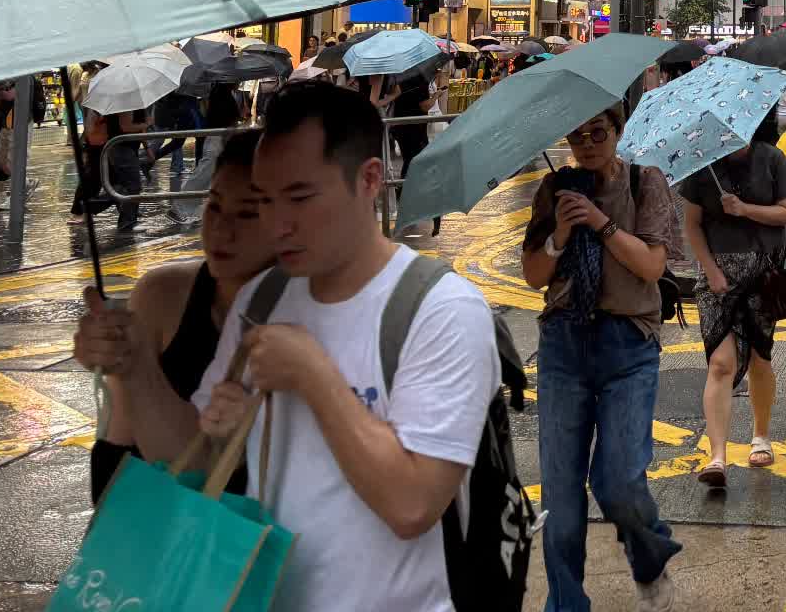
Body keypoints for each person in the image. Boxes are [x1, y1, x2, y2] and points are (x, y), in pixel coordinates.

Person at [162, 83, 496, 612]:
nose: (279, 223)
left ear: (369, 179)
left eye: (299, 197)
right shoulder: (263, 297)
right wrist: (208, 426)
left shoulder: (439, 309)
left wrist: (315, 377)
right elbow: (192, 462)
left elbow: (413, 505)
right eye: (266, 200)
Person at [519, 106, 683, 611]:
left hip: (628, 344)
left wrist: (602, 223)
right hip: (564, 345)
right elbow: (533, 274)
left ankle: (649, 552)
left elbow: (653, 266)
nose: (587, 143)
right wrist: (560, 235)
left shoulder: (643, 181)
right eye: (577, 134)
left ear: (617, 132)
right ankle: (566, 604)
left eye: (598, 133)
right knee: (562, 499)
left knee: (618, 481)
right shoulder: (556, 188)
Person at [72, 130, 274, 503]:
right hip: (158, 526)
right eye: (214, 205)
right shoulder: (162, 293)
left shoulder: (307, 310)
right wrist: (122, 360)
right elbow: (116, 452)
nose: (221, 229)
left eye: (248, 213)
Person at [678, 118, 786, 487]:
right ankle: (717, 457)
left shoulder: (772, 159)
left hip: (764, 274)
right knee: (720, 362)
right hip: (717, 278)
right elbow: (693, 225)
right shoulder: (703, 169)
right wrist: (711, 272)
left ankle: (760, 435)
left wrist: (745, 209)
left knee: (761, 357)